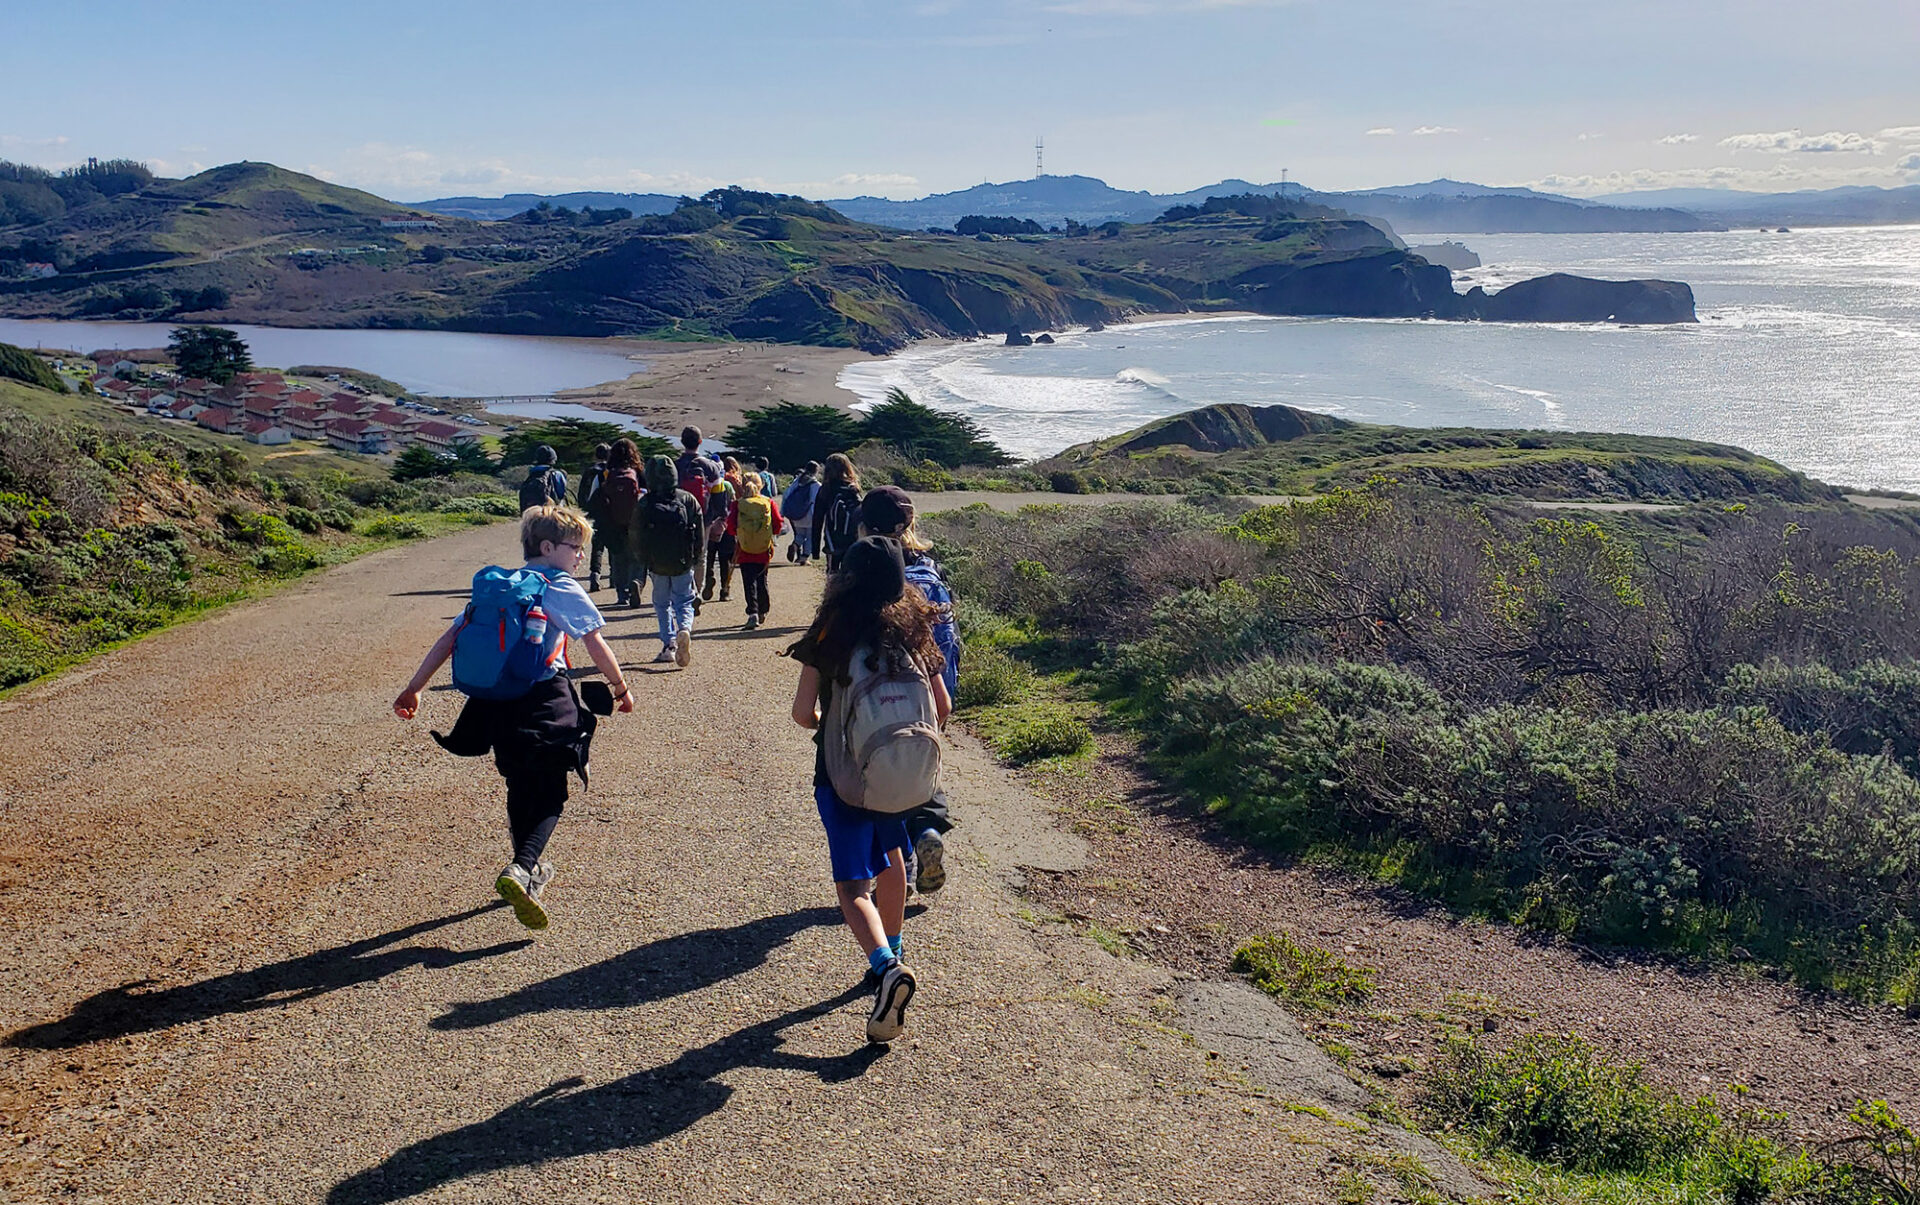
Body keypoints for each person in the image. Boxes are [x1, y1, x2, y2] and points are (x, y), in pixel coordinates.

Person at [393, 505, 632, 931]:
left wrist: (415, 687)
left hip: (493, 704)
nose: (580, 556)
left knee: (521, 784)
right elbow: (594, 642)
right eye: (574, 548)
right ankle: (522, 869)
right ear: (547, 547)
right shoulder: (558, 587)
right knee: (552, 791)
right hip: (542, 697)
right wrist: (620, 688)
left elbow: (450, 638)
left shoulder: (499, 588)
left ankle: (530, 873)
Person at [787, 536, 951, 1043]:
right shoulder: (914, 630)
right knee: (892, 860)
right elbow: (942, 709)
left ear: (845, 577)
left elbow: (801, 714)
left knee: (852, 885)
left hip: (844, 779)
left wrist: (832, 724)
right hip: (903, 778)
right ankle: (896, 947)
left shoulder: (831, 631)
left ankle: (885, 967)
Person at [861, 487, 961, 895]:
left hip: (880, 690)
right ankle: (927, 825)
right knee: (922, 761)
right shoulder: (930, 574)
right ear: (911, 524)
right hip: (933, 688)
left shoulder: (866, 568)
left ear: (864, 524)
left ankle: (896, 863)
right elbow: (949, 641)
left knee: (883, 769)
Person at [630, 455, 705, 667]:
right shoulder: (687, 499)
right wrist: (696, 557)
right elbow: (699, 533)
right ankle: (684, 629)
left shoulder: (644, 504)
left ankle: (669, 645)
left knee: (661, 604)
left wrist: (642, 561)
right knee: (684, 601)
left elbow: (636, 536)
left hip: (656, 563)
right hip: (682, 561)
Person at [733, 475, 784, 630]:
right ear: (761, 485)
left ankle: (752, 613)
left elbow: (730, 526)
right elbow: (778, 524)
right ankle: (763, 610)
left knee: (749, 581)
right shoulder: (768, 503)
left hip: (744, 549)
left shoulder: (738, 504)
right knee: (762, 579)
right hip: (763, 549)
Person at [599, 439, 644, 607]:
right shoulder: (637, 472)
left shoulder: (608, 473)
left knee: (618, 558)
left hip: (614, 521)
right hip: (635, 521)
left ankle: (622, 594)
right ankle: (636, 583)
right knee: (636, 557)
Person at [814, 453, 864, 573]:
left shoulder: (826, 489)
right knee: (852, 574)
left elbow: (817, 519)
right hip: (853, 538)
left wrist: (815, 550)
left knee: (833, 573)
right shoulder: (853, 488)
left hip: (833, 540)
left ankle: (833, 591)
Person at [578, 443, 611, 592]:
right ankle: (614, 578)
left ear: (596, 455)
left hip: (593, 513)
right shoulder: (610, 471)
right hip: (610, 512)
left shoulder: (589, 472)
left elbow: (581, 494)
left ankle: (595, 574)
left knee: (597, 547)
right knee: (613, 545)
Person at [702, 470, 737, 603]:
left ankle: (709, 577)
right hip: (726, 526)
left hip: (710, 525)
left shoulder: (707, 484)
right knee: (725, 560)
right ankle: (725, 590)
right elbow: (733, 503)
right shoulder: (727, 485)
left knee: (709, 557)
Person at [781, 462, 820, 565]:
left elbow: (786, 495)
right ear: (816, 471)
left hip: (796, 515)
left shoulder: (797, 482)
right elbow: (817, 501)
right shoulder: (815, 485)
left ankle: (795, 544)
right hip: (809, 514)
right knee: (810, 536)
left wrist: (783, 512)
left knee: (800, 534)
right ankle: (804, 557)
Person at [518, 445, 568, 512]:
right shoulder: (557, 474)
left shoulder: (532, 474)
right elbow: (561, 495)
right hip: (550, 514)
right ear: (553, 459)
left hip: (530, 515)